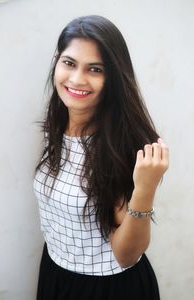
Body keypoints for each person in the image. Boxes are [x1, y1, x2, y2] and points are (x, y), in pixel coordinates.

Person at [33, 15, 169, 300]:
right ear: (57, 60)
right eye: (69, 63)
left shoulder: (119, 145)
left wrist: (144, 190)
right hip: (56, 273)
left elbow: (126, 255)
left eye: (95, 69)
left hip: (106, 289)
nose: (77, 79)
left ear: (113, 78)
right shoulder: (56, 126)